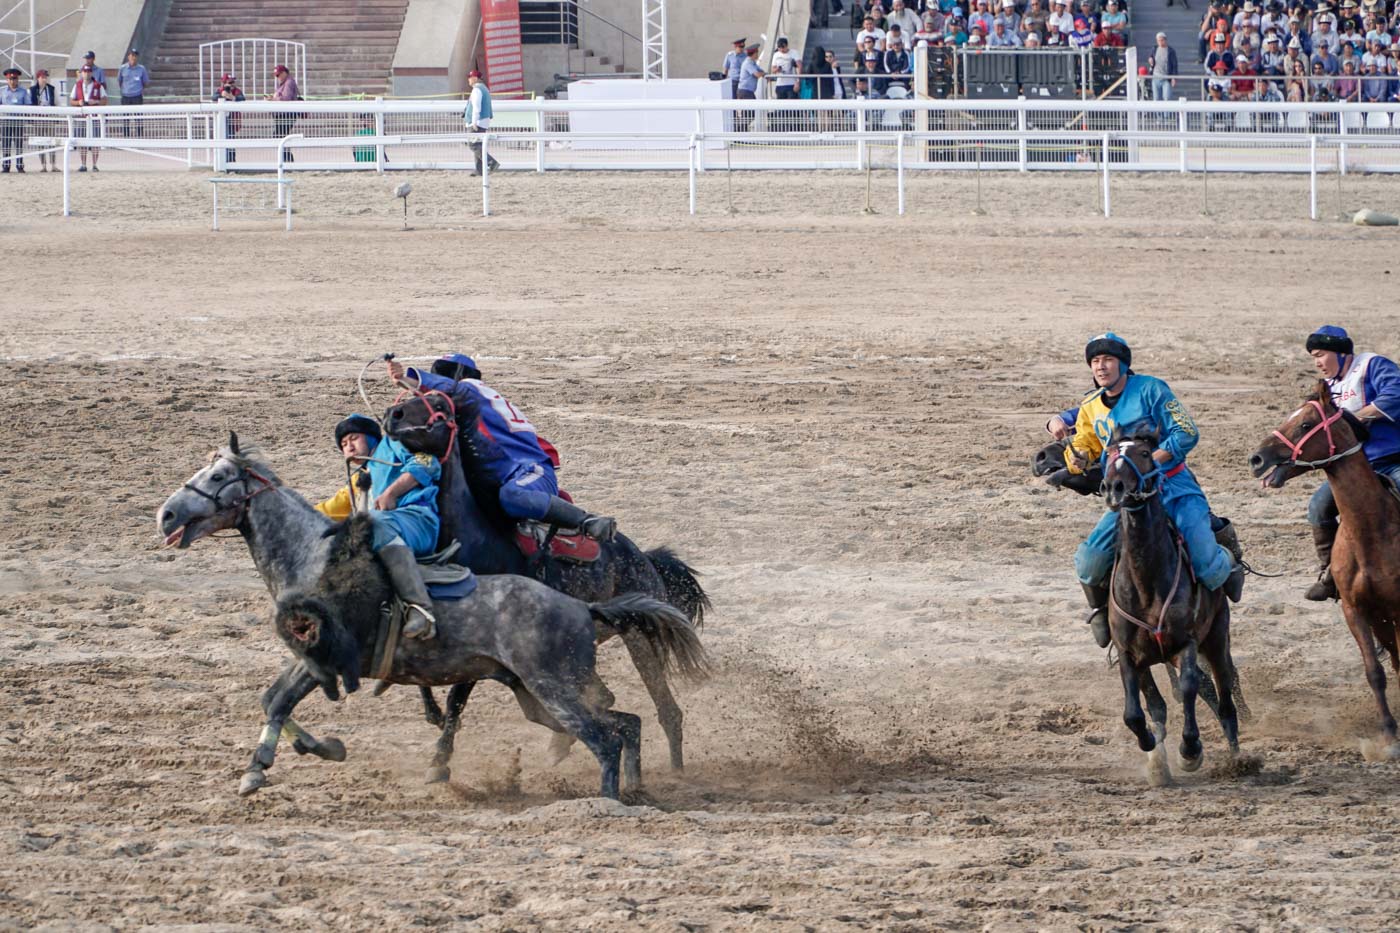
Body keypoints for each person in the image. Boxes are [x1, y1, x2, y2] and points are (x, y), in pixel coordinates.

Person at [1064, 333, 1244, 648]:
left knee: (1207, 566)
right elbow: (1085, 446)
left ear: (1122, 364)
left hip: (1173, 485)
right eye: (1095, 362)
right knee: (1090, 562)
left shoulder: (1151, 389)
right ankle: (1102, 612)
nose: (1101, 367)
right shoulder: (1090, 406)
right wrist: (1077, 458)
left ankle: (1228, 553)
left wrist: (1152, 462)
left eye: (1107, 360)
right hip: (1129, 498)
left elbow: (1187, 431)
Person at [389, 353, 619, 542]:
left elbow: (456, 390)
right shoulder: (472, 408)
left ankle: (586, 521)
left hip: (528, 471)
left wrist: (410, 380)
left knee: (513, 497)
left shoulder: (471, 388)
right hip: (500, 476)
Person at [315, 412, 442, 640]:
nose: (349, 447)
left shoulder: (392, 445)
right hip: (385, 528)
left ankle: (420, 608)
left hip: (417, 520)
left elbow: (426, 462)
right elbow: (326, 509)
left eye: (354, 438)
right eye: (343, 444)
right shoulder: (357, 480)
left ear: (372, 438)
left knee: (371, 522)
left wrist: (391, 493)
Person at [1298, 327, 1400, 601]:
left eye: (1321, 355)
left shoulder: (1372, 366)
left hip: (1392, 461)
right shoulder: (1327, 388)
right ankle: (1330, 574)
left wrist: (1356, 417)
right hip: (1354, 471)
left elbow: (1396, 392)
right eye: (1313, 358)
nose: (1317, 363)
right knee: (1318, 508)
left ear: (1341, 352)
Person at [70, 64, 106, 172]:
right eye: (85, 72)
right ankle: (83, 164)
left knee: (95, 141)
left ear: (91, 73)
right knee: (82, 141)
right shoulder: (77, 85)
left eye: (88, 71)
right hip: (82, 116)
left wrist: (96, 102)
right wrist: (78, 102)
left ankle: (94, 164)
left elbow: (105, 100)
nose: (86, 73)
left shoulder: (98, 86)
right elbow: (71, 101)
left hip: (94, 117)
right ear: (82, 73)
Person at [464, 68, 499, 173]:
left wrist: (474, 121)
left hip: (477, 122)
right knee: (478, 144)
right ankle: (479, 170)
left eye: (470, 78)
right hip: (483, 121)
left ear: (475, 78)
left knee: (473, 144)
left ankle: (491, 162)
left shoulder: (477, 90)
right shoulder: (484, 88)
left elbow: (476, 107)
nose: (468, 80)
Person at [266, 63, 299, 161]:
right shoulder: (286, 82)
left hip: (286, 114)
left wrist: (274, 98)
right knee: (280, 136)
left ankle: (287, 160)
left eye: (278, 75)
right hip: (283, 114)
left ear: (284, 73)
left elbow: (286, 98)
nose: (277, 77)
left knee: (279, 136)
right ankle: (286, 159)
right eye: (276, 75)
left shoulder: (288, 82)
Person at [28, 69, 58, 172]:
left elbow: (56, 102)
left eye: (46, 77)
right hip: (38, 119)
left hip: (49, 118)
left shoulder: (51, 89)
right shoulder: (32, 90)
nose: (45, 79)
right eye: (42, 77)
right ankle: (43, 165)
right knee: (40, 141)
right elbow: (30, 104)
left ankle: (53, 164)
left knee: (52, 141)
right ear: (38, 78)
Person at [212, 73, 245, 164]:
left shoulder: (236, 91)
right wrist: (222, 96)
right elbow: (213, 97)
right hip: (222, 121)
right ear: (224, 83)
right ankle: (222, 162)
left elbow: (242, 98)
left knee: (230, 140)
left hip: (232, 120)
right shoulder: (220, 90)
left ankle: (231, 162)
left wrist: (232, 97)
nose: (232, 84)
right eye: (230, 82)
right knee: (221, 141)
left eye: (233, 82)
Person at [117, 48, 150, 139]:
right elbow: (119, 81)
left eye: (135, 55)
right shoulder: (123, 68)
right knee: (125, 119)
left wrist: (138, 90)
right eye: (131, 55)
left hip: (137, 96)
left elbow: (145, 82)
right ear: (128, 56)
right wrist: (125, 90)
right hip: (126, 96)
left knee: (138, 119)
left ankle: (139, 138)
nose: (133, 57)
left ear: (137, 57)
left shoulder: (141, 69)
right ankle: (126, 138)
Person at [1, 68, 26, 173]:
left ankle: (20, 166)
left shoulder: (23, 92)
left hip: (18, 121)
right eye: (10, 79)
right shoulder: (2, 91)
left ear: (17, 79)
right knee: (5, 144)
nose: (12, 81)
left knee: (19, 144)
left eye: (14, 79)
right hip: (6, 121)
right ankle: (6, 166)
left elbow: (28, 105)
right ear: (7, 80)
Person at [737, 43, 765, 131]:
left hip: (748, 91)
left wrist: (764, 74)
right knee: (748, 113)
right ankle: (741, 133)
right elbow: (757, 74)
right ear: (754, 53)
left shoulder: (753, 63)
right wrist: (763, 74)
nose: (757, 54)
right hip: (745, 91)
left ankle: (742, 133)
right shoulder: (748, 63)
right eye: (757, 52)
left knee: (749, 112)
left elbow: (761, 71)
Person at [1149, 32, 1180, 100]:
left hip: (1166, 78)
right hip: (1156, 77)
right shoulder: (1154, 49)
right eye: (1158, 40)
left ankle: (1166, 111)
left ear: (1165, 40)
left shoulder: (1170, 51)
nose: (1160, 42)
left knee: (1167, 98)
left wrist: (1174, 78)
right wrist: (1150, 59)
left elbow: (1174, 65)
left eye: (1161, 40)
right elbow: (1151, 57)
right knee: (1156, 98)